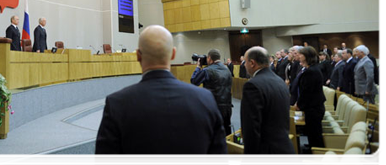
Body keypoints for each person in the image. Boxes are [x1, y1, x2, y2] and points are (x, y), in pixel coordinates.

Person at [95, 25, 228, 165]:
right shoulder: (205, 99)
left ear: (138, 55)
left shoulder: (116, 104)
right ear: (173, 54)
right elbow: (218, 160)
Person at [241, 46, 299, 165]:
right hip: (285, 151)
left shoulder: (253, 85)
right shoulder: (279, 81)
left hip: (266, 155)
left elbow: (251, 129)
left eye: (245, 62)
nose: (244, 65)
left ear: (252, 63)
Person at [191, 49, 232, 136]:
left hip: (213, 108)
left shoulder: (207, 70)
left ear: (209, 58)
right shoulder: (227, 69)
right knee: (226, 133)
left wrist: (198, 67)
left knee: (213, 133)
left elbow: (194, 81)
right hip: (227, 108)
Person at [295, 46, 325, 149]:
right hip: (313, 106)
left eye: (301, 54)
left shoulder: (311, 71)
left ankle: (316, 154)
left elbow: (307, 91)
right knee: (312, 132)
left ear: (307, 56)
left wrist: (299, 104)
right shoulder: (310, 69)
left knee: (315, 134)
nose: (298, 56)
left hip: (313, 108)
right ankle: (312, 148)